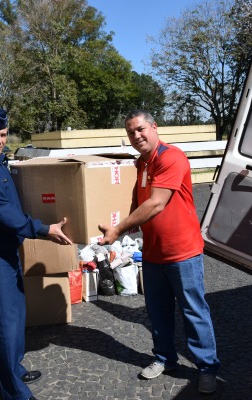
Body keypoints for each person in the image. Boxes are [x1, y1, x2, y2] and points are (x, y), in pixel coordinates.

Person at [98, 109, 221, 394]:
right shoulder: (141, 164)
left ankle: (207, 367)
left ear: (154, 127)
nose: (136, 135)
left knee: (193, 311)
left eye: (140, 129)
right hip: (153, 253)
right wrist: (118, 230)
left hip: (183, 252)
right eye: (130, 132)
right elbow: (137, 202)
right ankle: (165, 358)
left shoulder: (171, 157)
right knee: (158, 312)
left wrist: (117, 229)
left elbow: (155, 204)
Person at [0, 100, 72, 400]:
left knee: (16, 318)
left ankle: (13, 370)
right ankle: (14, 393)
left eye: (4, 134)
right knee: (4, 326)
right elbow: (2, 213)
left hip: (7, 251)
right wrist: (44, 230)